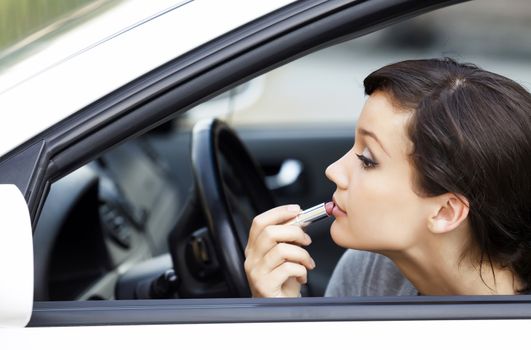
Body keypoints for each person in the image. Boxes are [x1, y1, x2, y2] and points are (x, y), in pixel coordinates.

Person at [244, 58, 531, 298]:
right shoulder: (371, 270)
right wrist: (279, 312)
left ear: (445, 211)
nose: (333, 170)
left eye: (367, 160)